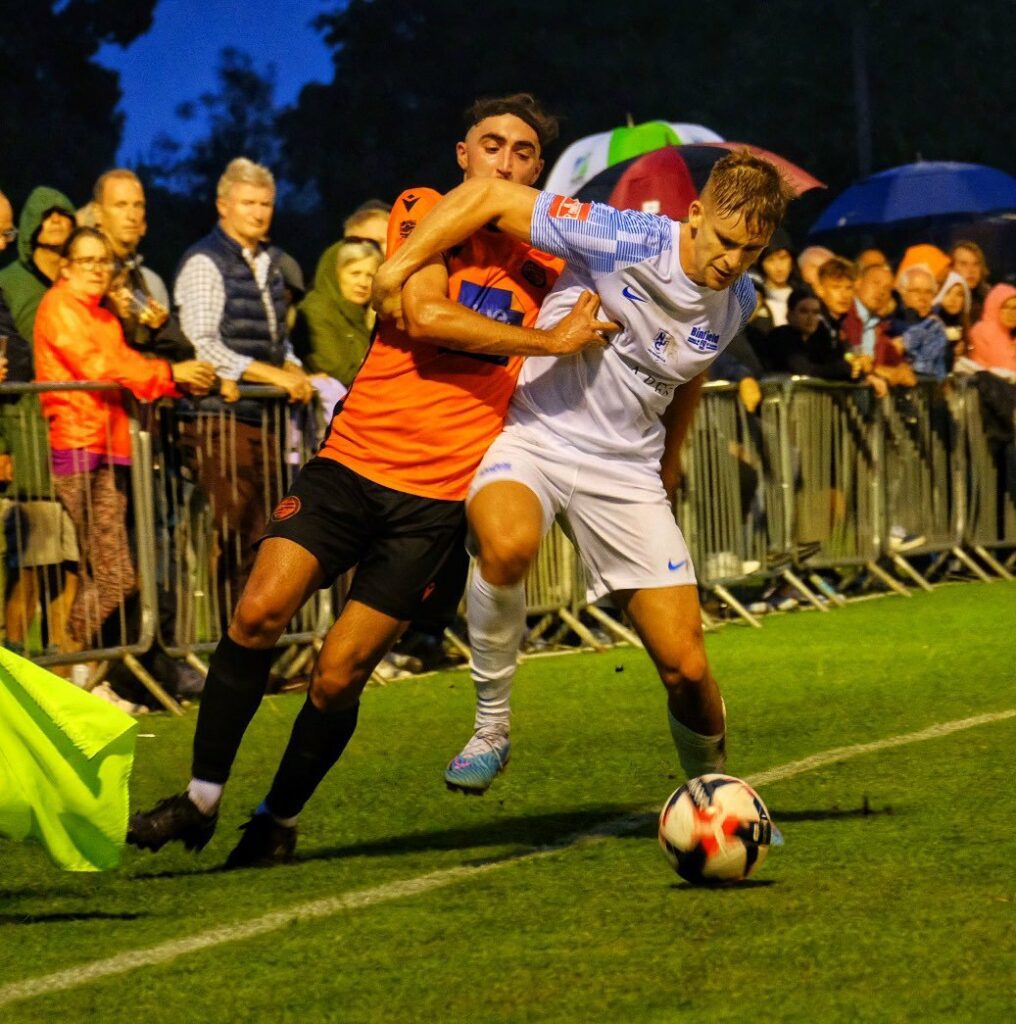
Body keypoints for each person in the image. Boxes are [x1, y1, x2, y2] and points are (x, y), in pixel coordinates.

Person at [127, 93, 610, 867]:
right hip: (351, 465)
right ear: (464, 155)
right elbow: (422, 315)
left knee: (338, 674)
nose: (505, 161)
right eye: (491, 145)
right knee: (257, 611)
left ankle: (277, 819)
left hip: (435, 501)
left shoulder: (553, 260)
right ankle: (200, 798)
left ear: (537, 171)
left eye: (523, 153)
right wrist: (548, 339)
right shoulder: (423, 208)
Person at [374, 150, 794, 795]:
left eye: (752, 250)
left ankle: (714, 796)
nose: (733, 261)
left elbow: (692, 371)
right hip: (536, 437)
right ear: (695, 214)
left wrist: (671, 457)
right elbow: (488, 196)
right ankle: (490, 729)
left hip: (626, 473)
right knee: (507, 546)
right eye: (725, 240)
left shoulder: (739, 297)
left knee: (686, 668)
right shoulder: (623, 235)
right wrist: (397, 267)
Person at [33, 227, 215, 648]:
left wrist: (178, 381)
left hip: (111, 448)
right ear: (65, 267)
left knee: (112, 574)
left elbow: (127, 365)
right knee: (109, 575)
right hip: (78, 447)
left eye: (104, 261)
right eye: (87, 260)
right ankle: (72, 660)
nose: (98, 269)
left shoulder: (101, 316)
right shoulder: (59, 306)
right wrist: (170, 374)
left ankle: (83, 663)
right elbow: (99, 367)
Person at [173, 157, 314, 621]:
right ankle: (227, 634)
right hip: (216, 416)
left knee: (264, 531)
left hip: (260, 417)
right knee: (235, 530)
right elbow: (201, 343)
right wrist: (272, 376)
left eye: (266, 204)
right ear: (223, 206)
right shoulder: (204, 261)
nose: (258, 212)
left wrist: (292, 367)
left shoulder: (270, 262)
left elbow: (278, 341)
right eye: (248, 203)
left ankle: (254, 634)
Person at [91, 168, 195, 362]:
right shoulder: (88, 271)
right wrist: (170, 372)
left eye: (138, 205)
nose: (132, 215)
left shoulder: (135, 275)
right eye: (121, 205)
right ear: (97, 213)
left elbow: (179, 349)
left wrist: (162, 325)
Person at [292, 238, 383, 389]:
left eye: (370, 276)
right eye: (355, 273)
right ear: (335, 274)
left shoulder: (368, 316)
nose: (363, 283)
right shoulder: (316, 310)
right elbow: (337, 371)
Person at [894, 265, 950, 380]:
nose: (923, 298)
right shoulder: (890, 323)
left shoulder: (937, 325)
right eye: (916, 291)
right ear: (903, 293)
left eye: (928, 292)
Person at [968, 283, 1016, 376]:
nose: (1011, 313)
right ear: (994, 307)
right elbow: (1005, 367)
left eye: (1015, 308)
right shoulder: (982, 332)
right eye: (1005, 307)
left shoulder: (1011, 334)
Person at [934, 270, 972, 360]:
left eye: (959, 294)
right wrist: (950, 354)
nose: (953, 299)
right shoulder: (931, 323)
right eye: (948, 292)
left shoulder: (962, 325)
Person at [949, 240, 991, 322]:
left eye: (976, 264)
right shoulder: (943, 302)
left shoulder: (990, 299)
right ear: (951, 267)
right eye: (963, 264)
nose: (971, 270)